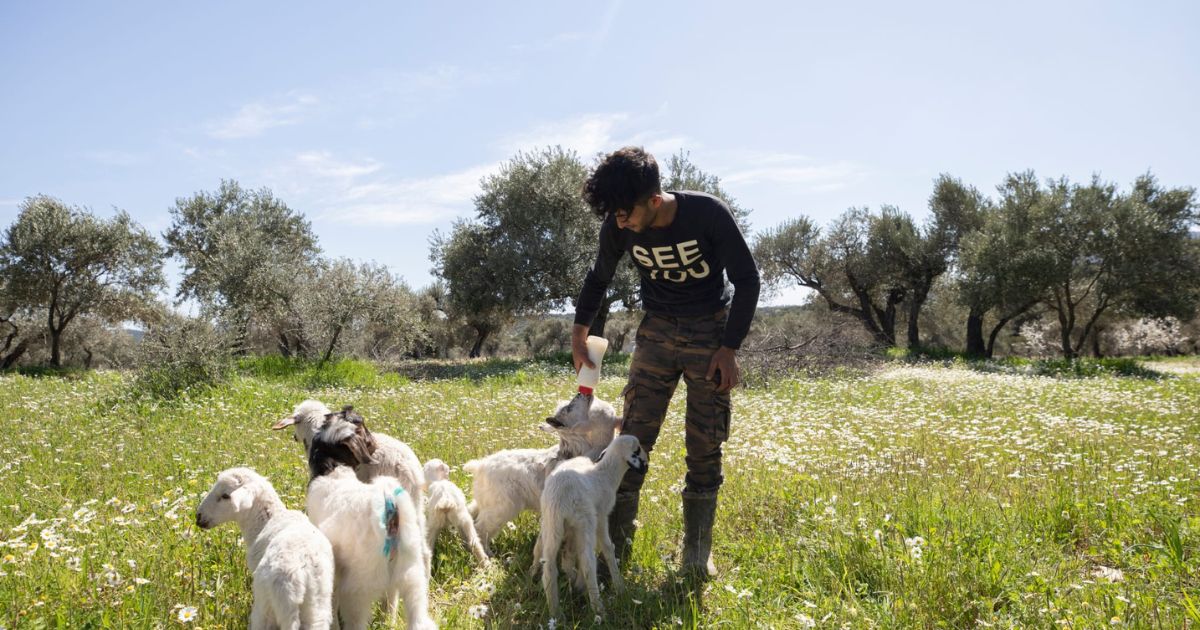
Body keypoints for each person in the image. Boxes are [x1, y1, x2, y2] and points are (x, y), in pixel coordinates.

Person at [571, 146, 760, 578]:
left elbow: (747, 280)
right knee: (630, 440)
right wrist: (579, 333)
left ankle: (695, 555)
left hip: (710, 333)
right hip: (656, 330)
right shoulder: (618, 222)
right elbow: (598, 277)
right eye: (613, 214)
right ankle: (612, 549)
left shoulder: (708, 215)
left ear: (653, 200)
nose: (620, 222)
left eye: (625, 213)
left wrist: (729, 348)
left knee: (705, 442)